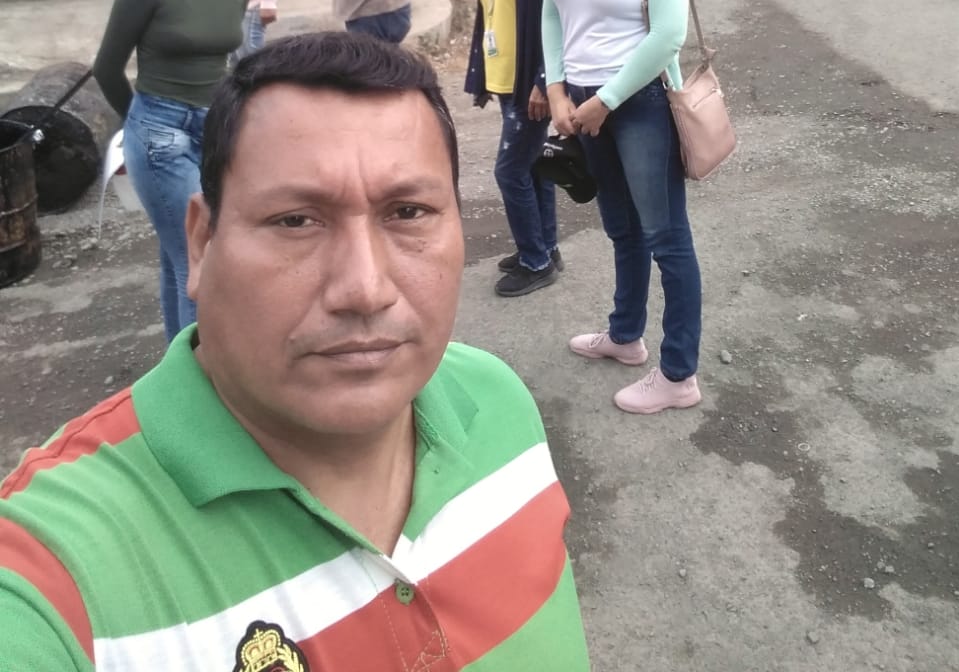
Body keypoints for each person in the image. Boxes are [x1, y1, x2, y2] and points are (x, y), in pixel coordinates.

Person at [0, 34, 591, 671]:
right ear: (200, 244)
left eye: (408, 212)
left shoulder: (497, 403)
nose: (364, 288)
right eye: (295, 221)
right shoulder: (55, 575)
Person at [542, 0, 703, 415]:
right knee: (620, 227)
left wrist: (603, 102)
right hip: (582, 102)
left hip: (639, 103)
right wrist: (556, 89)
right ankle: (625, 336)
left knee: (666, 237)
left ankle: (679, 374)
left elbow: (668, 36)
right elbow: (550, 13)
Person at [93, 0, 249, 341]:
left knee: (176, 255)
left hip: (214, 129)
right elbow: (106, 67)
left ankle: (175, 360)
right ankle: (205, 370)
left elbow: (225, 60)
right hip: (160, 133)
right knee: (199, 260)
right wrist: (139, 124)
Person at [464, 0, 561, 297]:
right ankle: (545, 248)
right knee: (533, 166)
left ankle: (535, 261)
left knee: (510, 171)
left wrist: (544, 81)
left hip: (529, 85)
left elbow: (557, 19)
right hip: (505, 79)